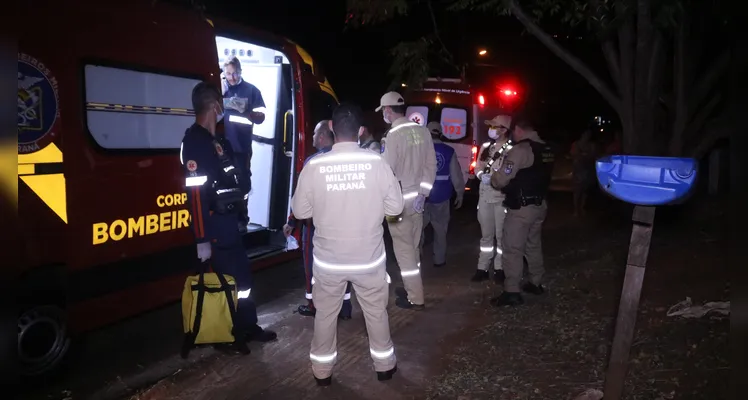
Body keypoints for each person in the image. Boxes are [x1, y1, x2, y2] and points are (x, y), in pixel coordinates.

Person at [291, 103, 403, 385]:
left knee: (325, 315)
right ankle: (384, 366)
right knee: (376, 312)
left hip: (329, 261)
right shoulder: (376, 162)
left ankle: (322, 373)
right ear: (361, 131)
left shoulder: (314, 166)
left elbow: (301, 212)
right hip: (368, 259)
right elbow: (396, 207)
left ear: (331, 127)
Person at [180, 81, 277, 346]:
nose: (223, 109)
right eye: (220, 105)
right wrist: (201, 238)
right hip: (212, 224)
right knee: (225, 283)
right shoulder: (194, 143)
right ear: (213, 106)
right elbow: (196, 193)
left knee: (242, 279)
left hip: (230, 223)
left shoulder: (218, 140)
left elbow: (237, 177)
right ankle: (229, 336)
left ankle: (248, 326)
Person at [283, 121, 353, 319]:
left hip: (315, 226)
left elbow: (302, 197)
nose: (312, 137)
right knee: (341, 268)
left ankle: (314, 305)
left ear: (322, 135)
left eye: (314, 133)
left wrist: (292, 221)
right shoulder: (346, 160)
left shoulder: (313, 162)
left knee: (313, 269)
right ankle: (345, 308)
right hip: (342, 226)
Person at [377, 91, 436, 310]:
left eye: (383, 110)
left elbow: (387, 171)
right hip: (418, 201)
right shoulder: (422, 131)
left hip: (398, 204)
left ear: (389, 110)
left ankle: (415, 297)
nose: (383, 114)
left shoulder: (392, 136)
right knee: (413, 247)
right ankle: (413, 287)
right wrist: (423, 193)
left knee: (403, 252)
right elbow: (431, 166)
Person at [489, 118, 555, 306]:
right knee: (532, 245)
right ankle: (536, 282)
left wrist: (493, 176)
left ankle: (511, 291)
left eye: (513, 131)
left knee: (512, 248)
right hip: (539, 206)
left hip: (521, 209)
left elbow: (500, 180)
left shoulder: (521, 151)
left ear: (518, 129)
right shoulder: (546, 149)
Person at [222, 56, 266, 223]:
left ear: (240, 71)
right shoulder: (221, 89)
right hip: (221, 148)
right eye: (228, 73)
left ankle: (242, 219)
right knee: (223, 183)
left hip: (241, 147)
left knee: (242, 183)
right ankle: (226, 218)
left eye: (234, 73)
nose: (231, 77)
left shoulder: (251, 90)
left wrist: (247, 111)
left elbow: (262, 116)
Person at [471, 115, 513, 284]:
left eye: (495, 127)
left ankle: (500, 268)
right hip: (484, 196)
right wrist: (482, 176)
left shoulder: (511, 149)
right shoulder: (486, 146)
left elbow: (510, 173)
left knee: (501, 236)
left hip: (501, 198)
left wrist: (495, 178)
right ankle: (482, 268)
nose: (491, 129)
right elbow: (477, 167)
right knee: (486, 236)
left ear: (504, 130)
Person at [419, 122, 464, 268]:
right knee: (440, 230)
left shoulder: (421, 149)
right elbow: (456, 175)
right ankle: (439, 260)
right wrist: (460, 193)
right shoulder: (449, 151)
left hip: (422, 197)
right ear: (440, 133)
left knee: (418, 229)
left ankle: (416, 258)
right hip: (442, 196)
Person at [570, 129, 598, 217]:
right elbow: (574, 155)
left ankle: (582, 208)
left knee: (585, 191)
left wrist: (583, 156)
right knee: (577, 191)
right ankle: (576, 209)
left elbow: (593, 156)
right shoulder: (576, 144)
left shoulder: (591, 145)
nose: (587, 136)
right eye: (586, 134)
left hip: (587, 170)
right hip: (578, 170)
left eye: (589, 135)